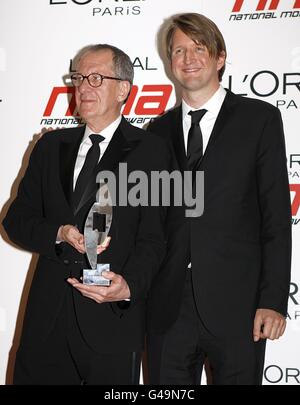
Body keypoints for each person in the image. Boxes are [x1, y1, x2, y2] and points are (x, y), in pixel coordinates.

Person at [2, 44, 170, 385]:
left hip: (111, 317)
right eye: (78, 78)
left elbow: (154, 237)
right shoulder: (50, 146)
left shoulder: (150, 151)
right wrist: (59, 233)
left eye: (96, 78)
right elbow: (16, 220)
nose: (82, 87)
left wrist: (129, 287)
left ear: (123, 89)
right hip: (47, 318)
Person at [146, 13, 292, 385]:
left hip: (239, 308)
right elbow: (149, 218)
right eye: (179, 50)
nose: (188, 58)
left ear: (220, 57)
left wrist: (272, 300)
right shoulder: (157, 131)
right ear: (170, 63)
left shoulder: (259, 119)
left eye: (199, 48)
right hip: (168, 309)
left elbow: (275, 216)